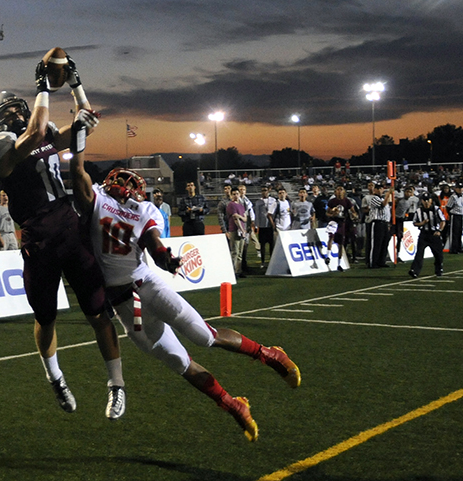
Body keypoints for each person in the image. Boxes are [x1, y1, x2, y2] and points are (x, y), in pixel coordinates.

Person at [68, 126, 301, 442]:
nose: (126, 188)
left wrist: (166, 258)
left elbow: (154, 243)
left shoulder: (144, 209)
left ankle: (267, 354)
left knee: (203, 336)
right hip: (125, 306)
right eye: (122, 182)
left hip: (147, 284)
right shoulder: (96, 201)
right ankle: (231, 403)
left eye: (130, 184)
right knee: (179, 362)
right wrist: (77, 139)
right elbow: (77, 173)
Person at [0, 56, 125, 420]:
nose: (14, 114)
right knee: (45, 317)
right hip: (38, 238)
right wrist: (44, 87)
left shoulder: (43, 131)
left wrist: (77, 84)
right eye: (7, 111)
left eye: (18, 108)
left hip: (70, 228)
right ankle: (55, 376)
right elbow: (30, 137)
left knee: (97, 311)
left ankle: (116, 385)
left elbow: (86, 122)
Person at [409, 192, 446, 278]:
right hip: (424, 234)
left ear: (431, 200)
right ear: (421, 201)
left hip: (434, 234)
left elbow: (443, 221)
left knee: (438, 254)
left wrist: (439, 230)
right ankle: (415, 270)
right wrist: (422, 223)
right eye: (424, 200)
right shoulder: (418, 211)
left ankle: (439, 269)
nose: (426, 202)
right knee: (419, 253)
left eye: (427, 200)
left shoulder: (436, 209)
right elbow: (415, 223)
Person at [325, 185, 357, 272]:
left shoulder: (347, 201)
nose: (339, 191)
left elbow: (353, 211)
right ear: (335, 192)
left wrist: (354, 216)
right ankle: (327, 256)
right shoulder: (332, 201)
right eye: (337, 190)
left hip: (342, 222)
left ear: (344, 192)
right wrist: (332, 214)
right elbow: (327, 213)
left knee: (341, 243)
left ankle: (339, 264)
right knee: (331, 237)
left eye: (341, 189)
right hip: (333, 221)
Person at [368, 183, 394, 268]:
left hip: (384, 223)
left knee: (384, 242)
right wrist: (388, 195)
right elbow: (382, 205)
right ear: (375, 190)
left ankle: (381, 261)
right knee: (376, 243)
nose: (380, 190)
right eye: (378, 189)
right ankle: (373, 262)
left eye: (381, 189)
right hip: (377, 222)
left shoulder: (382, 198)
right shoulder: (374, 198)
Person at [226, 187, 248, 277]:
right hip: (235, 230)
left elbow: (245, 218)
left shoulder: (241, 205)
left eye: (237, 194)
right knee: (235, 252)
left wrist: (240, 217)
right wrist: (242, 230)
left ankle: (238, 271)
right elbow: (235, 218)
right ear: (231, 195)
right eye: (234, 194)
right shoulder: (231, 205)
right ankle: (233, 271)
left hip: (241, 230)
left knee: (240, 253)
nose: (236, 196)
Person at [254, 185, 276, 268]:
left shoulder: (273, 200)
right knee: (262, 245)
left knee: (272, 245)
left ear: (268, 191)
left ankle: (272, 261)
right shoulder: (258, 202)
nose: (264, 192)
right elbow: (257, 214)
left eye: (265, 190)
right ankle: (262, 262)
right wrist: (256, 226)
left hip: (270, 226)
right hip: (262, 226)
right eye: (262, 190)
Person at [445, 181, 463, 253]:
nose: (460, 190)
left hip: (461, 215)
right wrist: (451, 214)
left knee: (459, 232)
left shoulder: (462, 196)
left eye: (461, 188)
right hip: (455, 215)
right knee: (454, 232)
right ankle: (453, 249)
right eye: (458, 188)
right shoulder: (453, 197)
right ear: (455, 189)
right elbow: (448, 207)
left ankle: (459, 247)